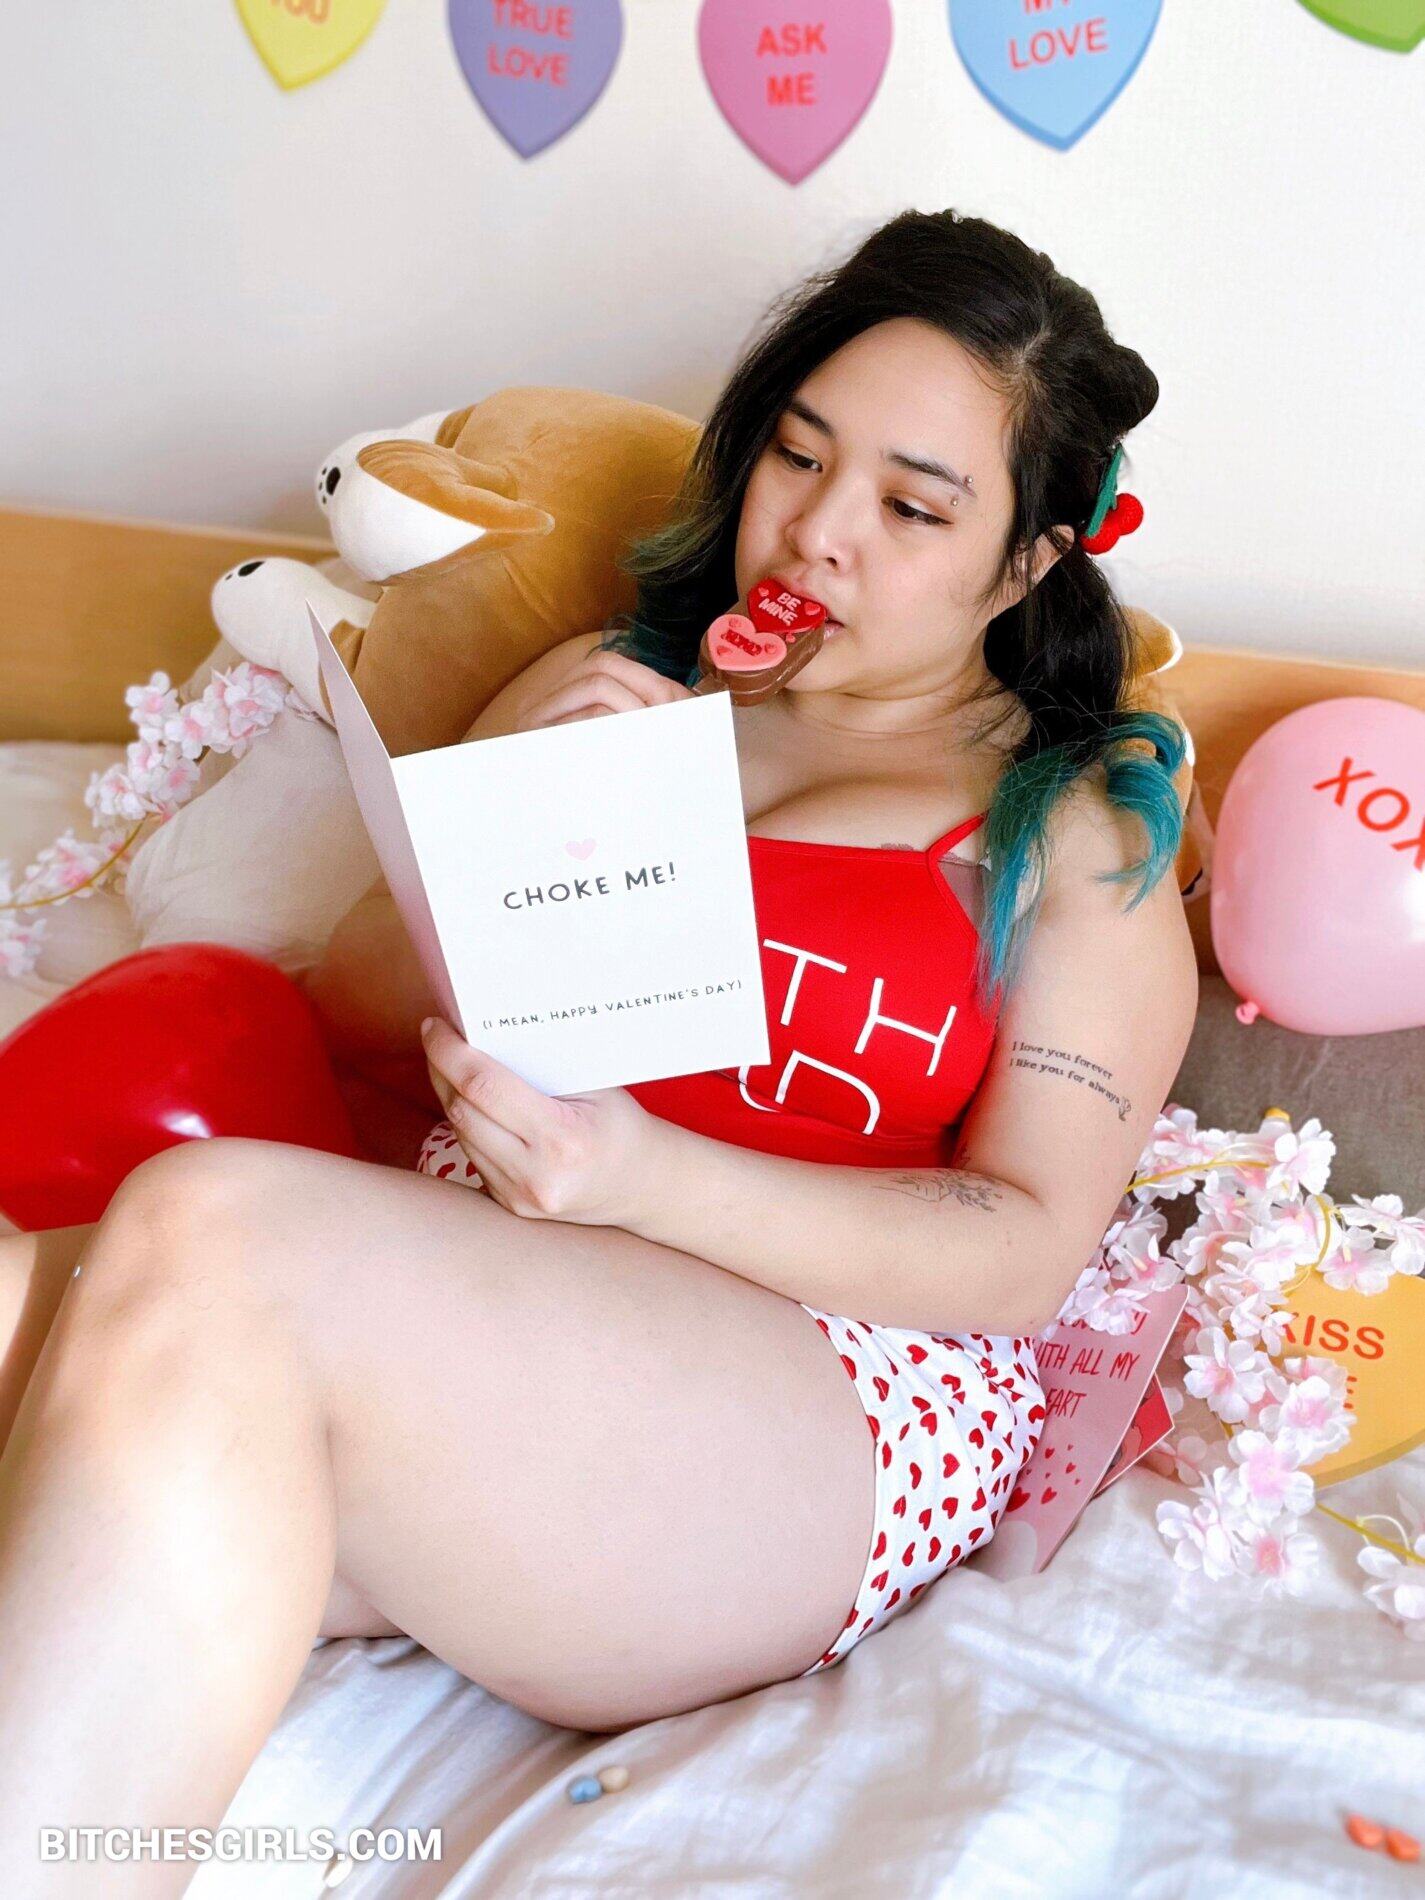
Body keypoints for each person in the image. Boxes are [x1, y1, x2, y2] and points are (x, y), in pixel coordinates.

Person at [0, 207, 1197, 1891]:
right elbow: (362, 1005)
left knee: (210, 1225)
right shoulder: (609, 684)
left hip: (832, 1389)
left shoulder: (1073, 833)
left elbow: (1019, 1252)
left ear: (1026, 562)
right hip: (471, 1309)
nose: (816, 534)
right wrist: (524, 784)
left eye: (912, 506)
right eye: (797, 455)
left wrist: (641, 1175)